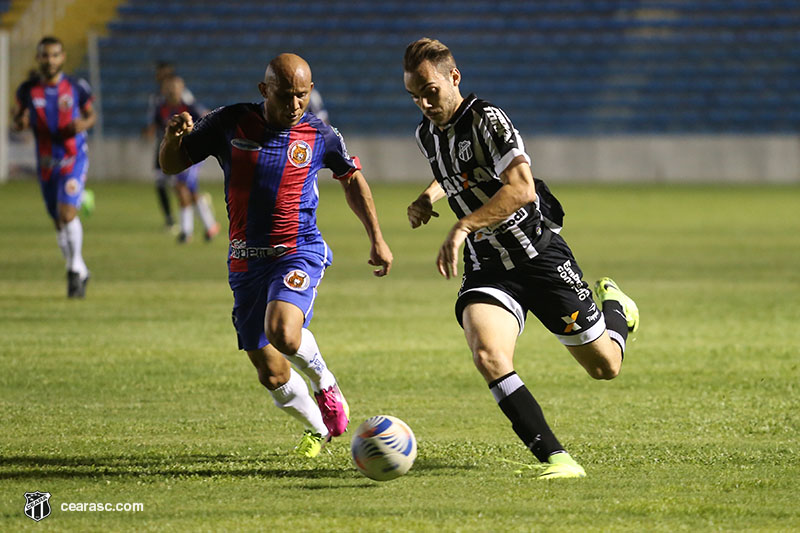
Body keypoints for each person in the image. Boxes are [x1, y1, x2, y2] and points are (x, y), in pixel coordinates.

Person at [403, 38, 640, 479]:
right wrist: (427, 197)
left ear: (454, 78)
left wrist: (462, 226)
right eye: (414, 95)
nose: (423, 102)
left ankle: (618, 310)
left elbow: (521, 188)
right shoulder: (425, 133)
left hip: (539, 255)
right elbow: (453, 172)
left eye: (430, 91)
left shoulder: (487, 119)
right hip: (489, 267)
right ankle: (557, 459)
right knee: (489, 353)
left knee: (606, 367)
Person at [159, 53, 393, 457]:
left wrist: (377, 237)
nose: (295, 104)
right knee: (270, 371)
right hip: (245, 259)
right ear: (264, 90)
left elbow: (352, 180)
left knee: (283, 331)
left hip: (297, 251)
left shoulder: (320, 135)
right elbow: (172, 165)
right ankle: (317, 429)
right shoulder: (229, 122)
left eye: (302, 95)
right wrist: (172, 139)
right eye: (286, 96)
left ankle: (326, 383)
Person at [12, 36, 96, 298]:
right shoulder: (27, 90)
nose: (50, 60)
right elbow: (17, 121)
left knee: (68, 213)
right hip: (46, 162)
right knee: (59, 223)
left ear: (62, 58)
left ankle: (73, 271)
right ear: (38, 58)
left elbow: (90, 115)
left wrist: (83, 124)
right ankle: (80, 269)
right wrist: (20, 122)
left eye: (54, 55)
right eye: (45, 55)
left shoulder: (76, 87)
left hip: (73, 157)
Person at [150, 75, 219, 243]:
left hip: (192, 153)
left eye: (175, 87)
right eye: (169, 87)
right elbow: (159, 128)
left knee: (181, 186)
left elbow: (206, 119)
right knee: (190, 190)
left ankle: (186, 232)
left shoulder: (189, 107)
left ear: (181, 89)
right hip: (176, 154)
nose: (172, 90)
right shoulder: (161, 108)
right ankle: (210, 225)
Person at [143, 60, 196, 231]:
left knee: (179, 185)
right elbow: (154, 119)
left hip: (180, 145)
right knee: (160, 182)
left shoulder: (184, 96)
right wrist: (150, 130)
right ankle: (169, 218)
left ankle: (189, 222)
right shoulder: (157, 99)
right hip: (162, 144)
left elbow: (193, 114)